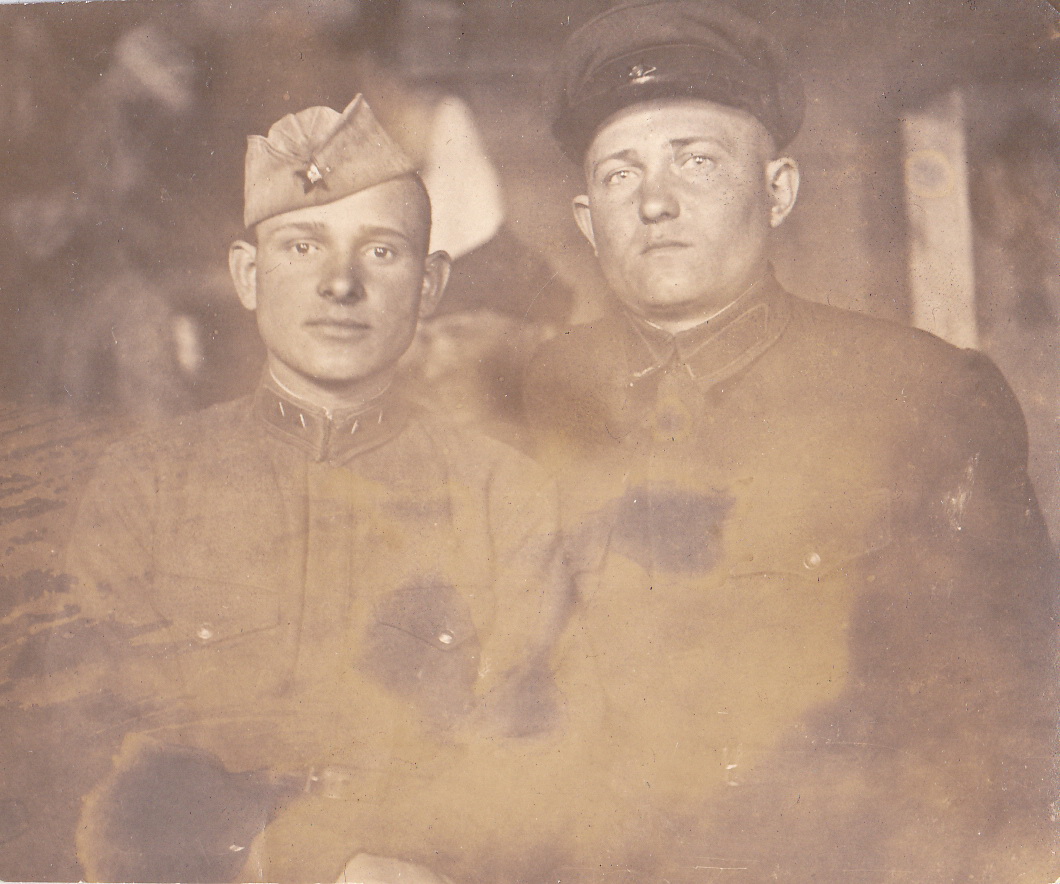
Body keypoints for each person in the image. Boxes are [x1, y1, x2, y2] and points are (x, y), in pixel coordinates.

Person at [524, 2, 1059, 880]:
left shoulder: (923, 393)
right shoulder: (530, 397)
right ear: (587, 218)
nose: (655, 201)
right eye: (620, 175)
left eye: (697, 160)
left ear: (778, 190)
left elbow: (1016, 717)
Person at [61, 95, 568, 883]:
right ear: (248, 274)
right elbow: (84, 758)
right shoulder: (144, 487)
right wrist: (298, 857)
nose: (340, 283)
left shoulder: (509, 497)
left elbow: (532, 762)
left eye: (381, 252)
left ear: (430, 285)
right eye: (302, 246)